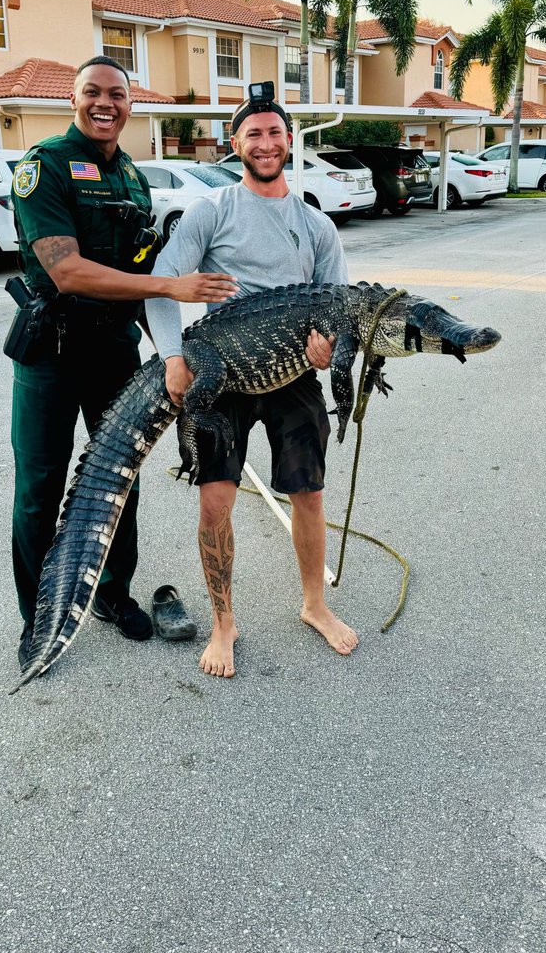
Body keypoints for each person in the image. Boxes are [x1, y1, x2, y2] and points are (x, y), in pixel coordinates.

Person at [9, 56, 236, 663]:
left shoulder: (132, 175)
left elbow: (139, 271)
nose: (104, 103)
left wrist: (173, 353)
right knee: (40, 485)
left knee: (121, 481)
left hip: (115, 350)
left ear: (130, 104)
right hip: (51, 351)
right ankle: (39, 617)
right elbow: (67, 270)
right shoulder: (44, 166)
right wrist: (170, 289)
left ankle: (111, 593)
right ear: (74, 99)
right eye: (92, 93)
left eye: (117, 94)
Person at [145, 90, 359, 677]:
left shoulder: (315, 224)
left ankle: (315, 605)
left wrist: (327, 350)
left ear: (289, 141)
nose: (265, 144)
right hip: (224, 371)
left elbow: (337, 311)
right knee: (215, 503)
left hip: (291, 374)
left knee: (308, 495)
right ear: (234, 145)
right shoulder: (211, 211)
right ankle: (224, 622)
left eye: (275, 133)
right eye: (253, 135)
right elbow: (160, 284)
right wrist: (171, 358)